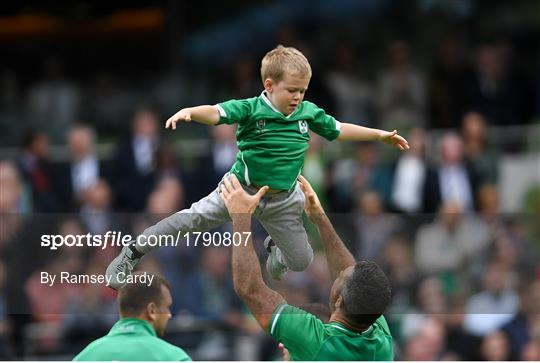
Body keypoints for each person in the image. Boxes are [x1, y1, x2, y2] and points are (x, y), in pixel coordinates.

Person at [107, 45, 408, 289]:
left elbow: (339, 129)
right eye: (292, 90)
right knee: (188, 221)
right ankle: (131, 253)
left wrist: (379, 134)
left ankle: (274, 248)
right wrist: (189, 112)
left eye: (302, 90)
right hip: (240, 191)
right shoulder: (251, 108)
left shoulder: (307, 112)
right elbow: (216, 112)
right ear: (269, 85)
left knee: (301, 261)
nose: (298, 97)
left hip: (284, 199)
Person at [219, 174, 393, 361]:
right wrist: (320, 218)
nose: (340, 270)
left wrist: (241, 216)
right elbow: (353, 279)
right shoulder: (381, 339)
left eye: (340, 276)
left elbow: (249, 288)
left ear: (339, 300)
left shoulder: (313, 340)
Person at [73, 274, 191, 361]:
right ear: (152, 310)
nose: (169, 314)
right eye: (166, 307)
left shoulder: (84, 357)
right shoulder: (174, 358)